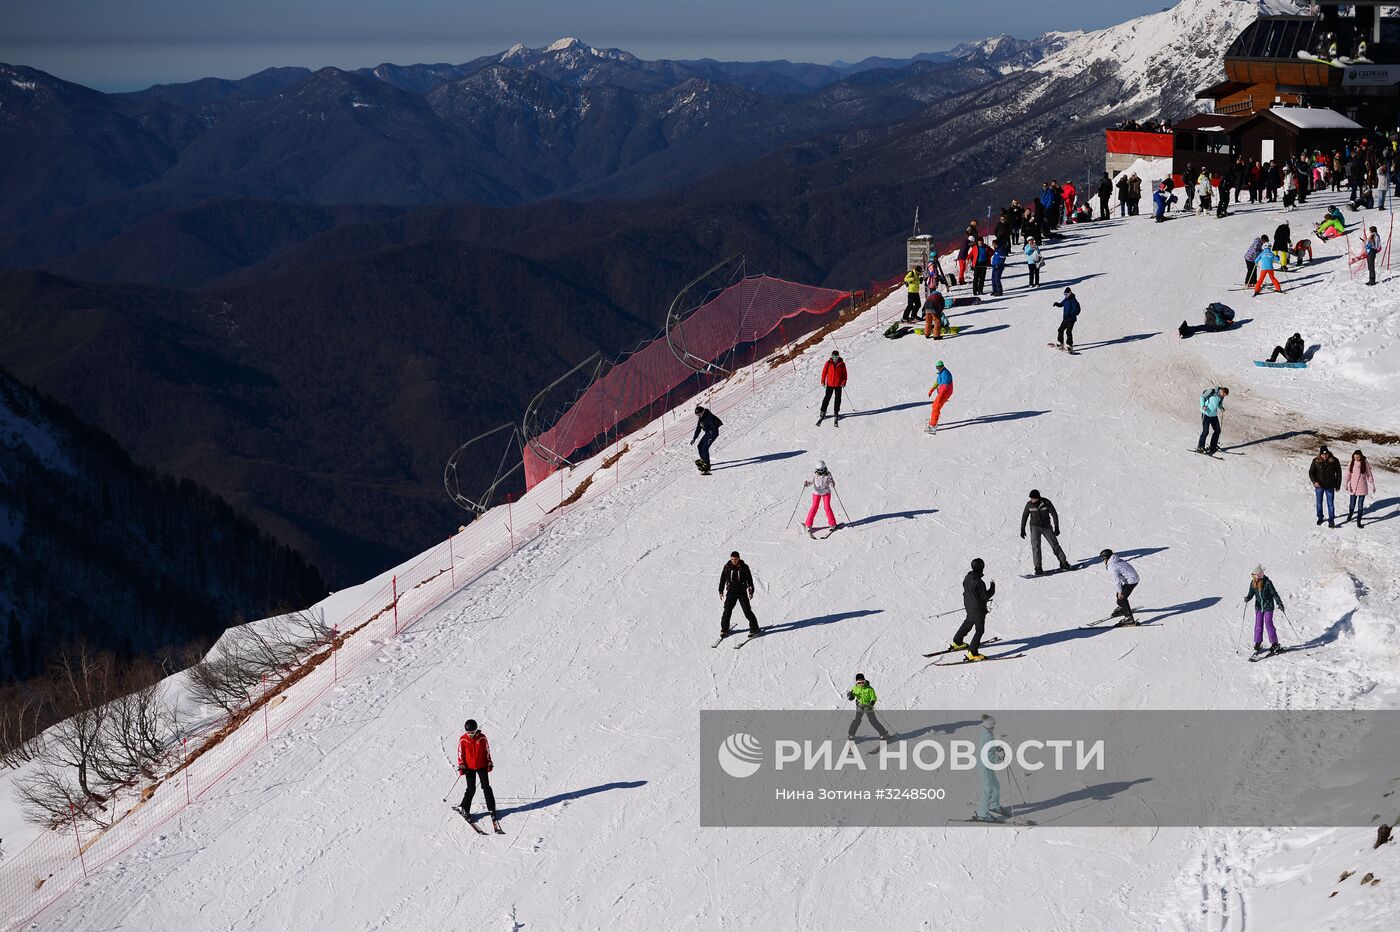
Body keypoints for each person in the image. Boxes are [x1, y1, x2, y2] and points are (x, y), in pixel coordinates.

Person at [456, 719, 500, 831]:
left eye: (472, 732)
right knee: (471, 789)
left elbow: (487, 751)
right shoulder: (463, 740)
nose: (470, 734)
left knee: (486, 787)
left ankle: (492, 809)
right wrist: (461, 765)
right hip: (469, 768)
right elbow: (460, 754)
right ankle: (465, 808)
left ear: (476, 730)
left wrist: (489, 762)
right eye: (468, 732)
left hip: (482, 766)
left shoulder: (482, 738)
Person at [951, 557, 996, 660]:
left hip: (969, 606)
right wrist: (992, 589)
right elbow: (985, 596)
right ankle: (973, 652)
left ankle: (957, 641)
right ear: (982, 568)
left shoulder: (967, 577)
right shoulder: (979, 582)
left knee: (968, 622)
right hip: (978, 609)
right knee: (979, 630)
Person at [1020, 489, 1072, 576]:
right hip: (1035, 527)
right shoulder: (1029, 504)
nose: (1032, 500)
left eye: (1034, 498)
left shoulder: (1046, 502)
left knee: (1054, 544)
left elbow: (1054, 514)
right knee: (1035, 547)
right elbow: (1024, 516)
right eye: (1031, 498)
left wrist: (1057, 527)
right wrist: (1022, 529)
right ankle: (1038, 567)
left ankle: (1063, 562)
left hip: (1046, 527)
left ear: (1038, 498)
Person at [974, 714, 1010, 822]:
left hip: (987, 764)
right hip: (984, 765)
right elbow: (987, 754)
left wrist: (997, 748)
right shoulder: (987, 735)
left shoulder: (987, 731)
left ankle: (994, 805)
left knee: (995, 786)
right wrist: (999, 760)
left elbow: (990, 747)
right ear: (988, 725)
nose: (994, 727)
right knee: (988, 788)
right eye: (992, 725)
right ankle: (982, 814)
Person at [718, 551, 760, 638]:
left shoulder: (744, 567)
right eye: (732, 559)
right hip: (731, 593)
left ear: (739, 558)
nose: (734, 561)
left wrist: (751, 591)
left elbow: (749, 580)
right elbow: (722, 579)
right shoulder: (727, 567)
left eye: (736, 559)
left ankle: (754, 628)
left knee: (747, 611)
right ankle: (724, 629)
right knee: (727, 611)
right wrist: (721, 591)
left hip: (742, 592)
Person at [1243, 567, 1284, 654]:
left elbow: (1274, 593)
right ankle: (1258, 643)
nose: (1254, 577)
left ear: (1259, 575)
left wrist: (1279, 602)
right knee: (1258, 624)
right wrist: (1248, 598)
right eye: (1253, 576)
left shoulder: (1268, 582)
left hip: (1268, 607)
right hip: (1259, 607)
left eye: (1255, 575)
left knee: (1268, 624)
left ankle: (1275, 643)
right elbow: (1251, 593)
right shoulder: (1253, 583)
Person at [846, 673, 892, 742]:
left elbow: (874, 697)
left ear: (865, 681)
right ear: (856, 682)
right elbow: (852, 696)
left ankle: (883, 734)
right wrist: (850, 696)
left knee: (873, 721)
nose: (861, 684)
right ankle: (851, 735)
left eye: (862, 682)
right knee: (857, 720)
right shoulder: (855, 688)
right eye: (859, 682)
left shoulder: (869, 689)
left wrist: (872, 702)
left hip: (868, 707)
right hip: (860, 706)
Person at [1100, 549, 1139, 625]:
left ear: (1106, 558)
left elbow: (1116, 581)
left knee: (1121, 599)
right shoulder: (1116, 560)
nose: (1102, 561)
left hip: (1131, 581)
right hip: (1130, 579)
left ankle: (1129, 618)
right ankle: (1122, 608)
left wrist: (1120, 592)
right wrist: (1119, 591)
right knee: (1119, 596)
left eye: (1102, 559)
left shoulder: (1112, 566)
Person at [801, 461, 838, 538]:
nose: (819, 472)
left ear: (824, 468)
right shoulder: (814, 474)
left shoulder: (828, 474)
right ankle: (808, 524)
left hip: (826, 492)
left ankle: (832, 524)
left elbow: (831, 481)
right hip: (816, 493)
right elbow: (810, 482)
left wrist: (832, 484)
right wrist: (807, 484)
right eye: (818, 470)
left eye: (821, 470)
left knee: (827, 507)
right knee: (814, 507)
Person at [1309, 445, 1342, 528]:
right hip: (1319, 486)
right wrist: (1314, 482)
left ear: (1329, 454)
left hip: (1330, 486)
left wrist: (1338, 485)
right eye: (1323, 455)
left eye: (1326, 454)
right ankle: (1320, 517)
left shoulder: (1334, 461)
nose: (1324, 456)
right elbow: (1311, 472)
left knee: (1330, 503)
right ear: (1320, 454)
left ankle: (1331, 520)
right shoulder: (1316, 461)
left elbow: (1339, 473)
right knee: (1319, 503)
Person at [1345, 449, 1376, 528]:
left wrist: (1372, 485)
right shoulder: (1351, 463)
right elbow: (1348, 474)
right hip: (1353, 486)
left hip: (1362, 486)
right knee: (1352, 505)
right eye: (1355, 457)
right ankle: (1350, 515)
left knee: (1360, 505)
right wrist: (1346, 483)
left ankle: (1359, 521)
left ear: (1361, 456)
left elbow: (1369, 474)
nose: (1356, 459)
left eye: (1358, 457)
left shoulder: (1365, 463)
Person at [1196, 386, 1228, 455]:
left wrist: (1221, 408)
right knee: (1205, 431)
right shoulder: (1211, 391)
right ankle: (1200, 447)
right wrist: (1202, 406)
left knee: (1217, 430)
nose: (1223, 396)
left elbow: (1219, 404)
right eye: (1223, 394)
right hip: (1206, 414)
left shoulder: (1221, 396)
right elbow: (1202, 397)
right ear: (1222, 391)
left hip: (1214, 415)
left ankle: (1213, 446)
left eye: (1224, 396)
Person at [819, 350, 847, 425]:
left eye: (836, 357)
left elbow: (845, 374)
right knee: (827, 398)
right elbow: (824, 372)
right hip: (830, 384)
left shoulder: (842, 364)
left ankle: (836, 412)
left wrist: (843, 382)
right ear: (831, 356)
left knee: (838, 399)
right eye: (833, 357)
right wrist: (823, 380)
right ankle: (823, 411)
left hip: (838, 385)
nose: (835, 358)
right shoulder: (828, 363)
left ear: (838, 356)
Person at [691, 406, 722, 473]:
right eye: (697, 415)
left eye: (699, 414)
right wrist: (694, 438)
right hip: (707, 433)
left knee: (704, 448)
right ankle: (704, 461)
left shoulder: (709, 417)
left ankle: (707, 465)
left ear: (703, 412)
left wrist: (711, 436)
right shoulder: (701, 418)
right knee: (699, 446)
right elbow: (698, 428)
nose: (699, 416)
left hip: (713, 433)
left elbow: (714, 427)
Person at [925, 361, 953, 434]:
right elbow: (937, 381)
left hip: (945, 393)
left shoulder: (945, 374)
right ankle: (933, 422)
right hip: (942, 392)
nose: (938, 369)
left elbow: (944, 387)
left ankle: (933, 425)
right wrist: (932, 389)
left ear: (943, 366)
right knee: (935, 406)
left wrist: (939, 395)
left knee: (936, 407)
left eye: (940, 367)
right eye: (937, 367)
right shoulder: (941, 373)